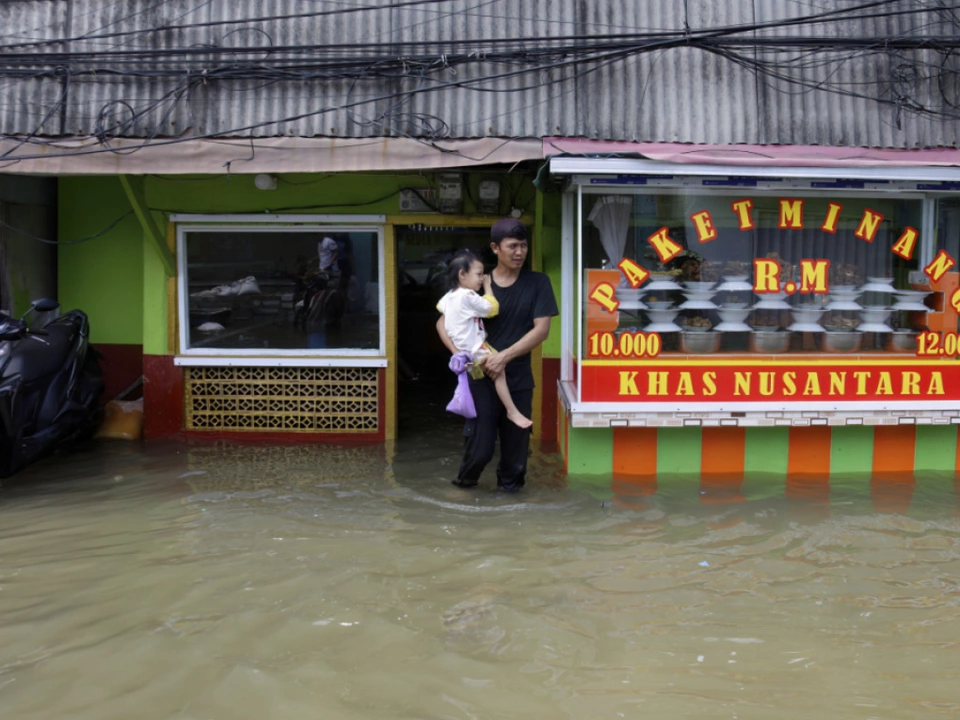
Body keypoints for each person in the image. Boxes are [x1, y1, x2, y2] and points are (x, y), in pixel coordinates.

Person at [436, 218, 558, 492]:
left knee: (516, 461)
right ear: (495, 248)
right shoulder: (476, 282)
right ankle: (463, 496)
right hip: (479, 380)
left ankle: (511, 517)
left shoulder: (538, 283)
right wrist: (460, 355)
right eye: (512, 246)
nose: (519, 252)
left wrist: (503, 357)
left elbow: (542, 330)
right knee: (479, 451)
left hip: (518, 379)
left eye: (524, 246)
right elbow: (442, 323)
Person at [437, 249, 533, 429]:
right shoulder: (468, 295)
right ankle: (512, 411)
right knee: (499, 371)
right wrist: (488, 286)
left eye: (483, 275)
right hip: (475, 348)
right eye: (479, 274)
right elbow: (492, 308)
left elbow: (440, 310)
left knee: (480, 383)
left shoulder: (448, 297)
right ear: (462, 274)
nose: (482, 278)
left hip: (462, 351)